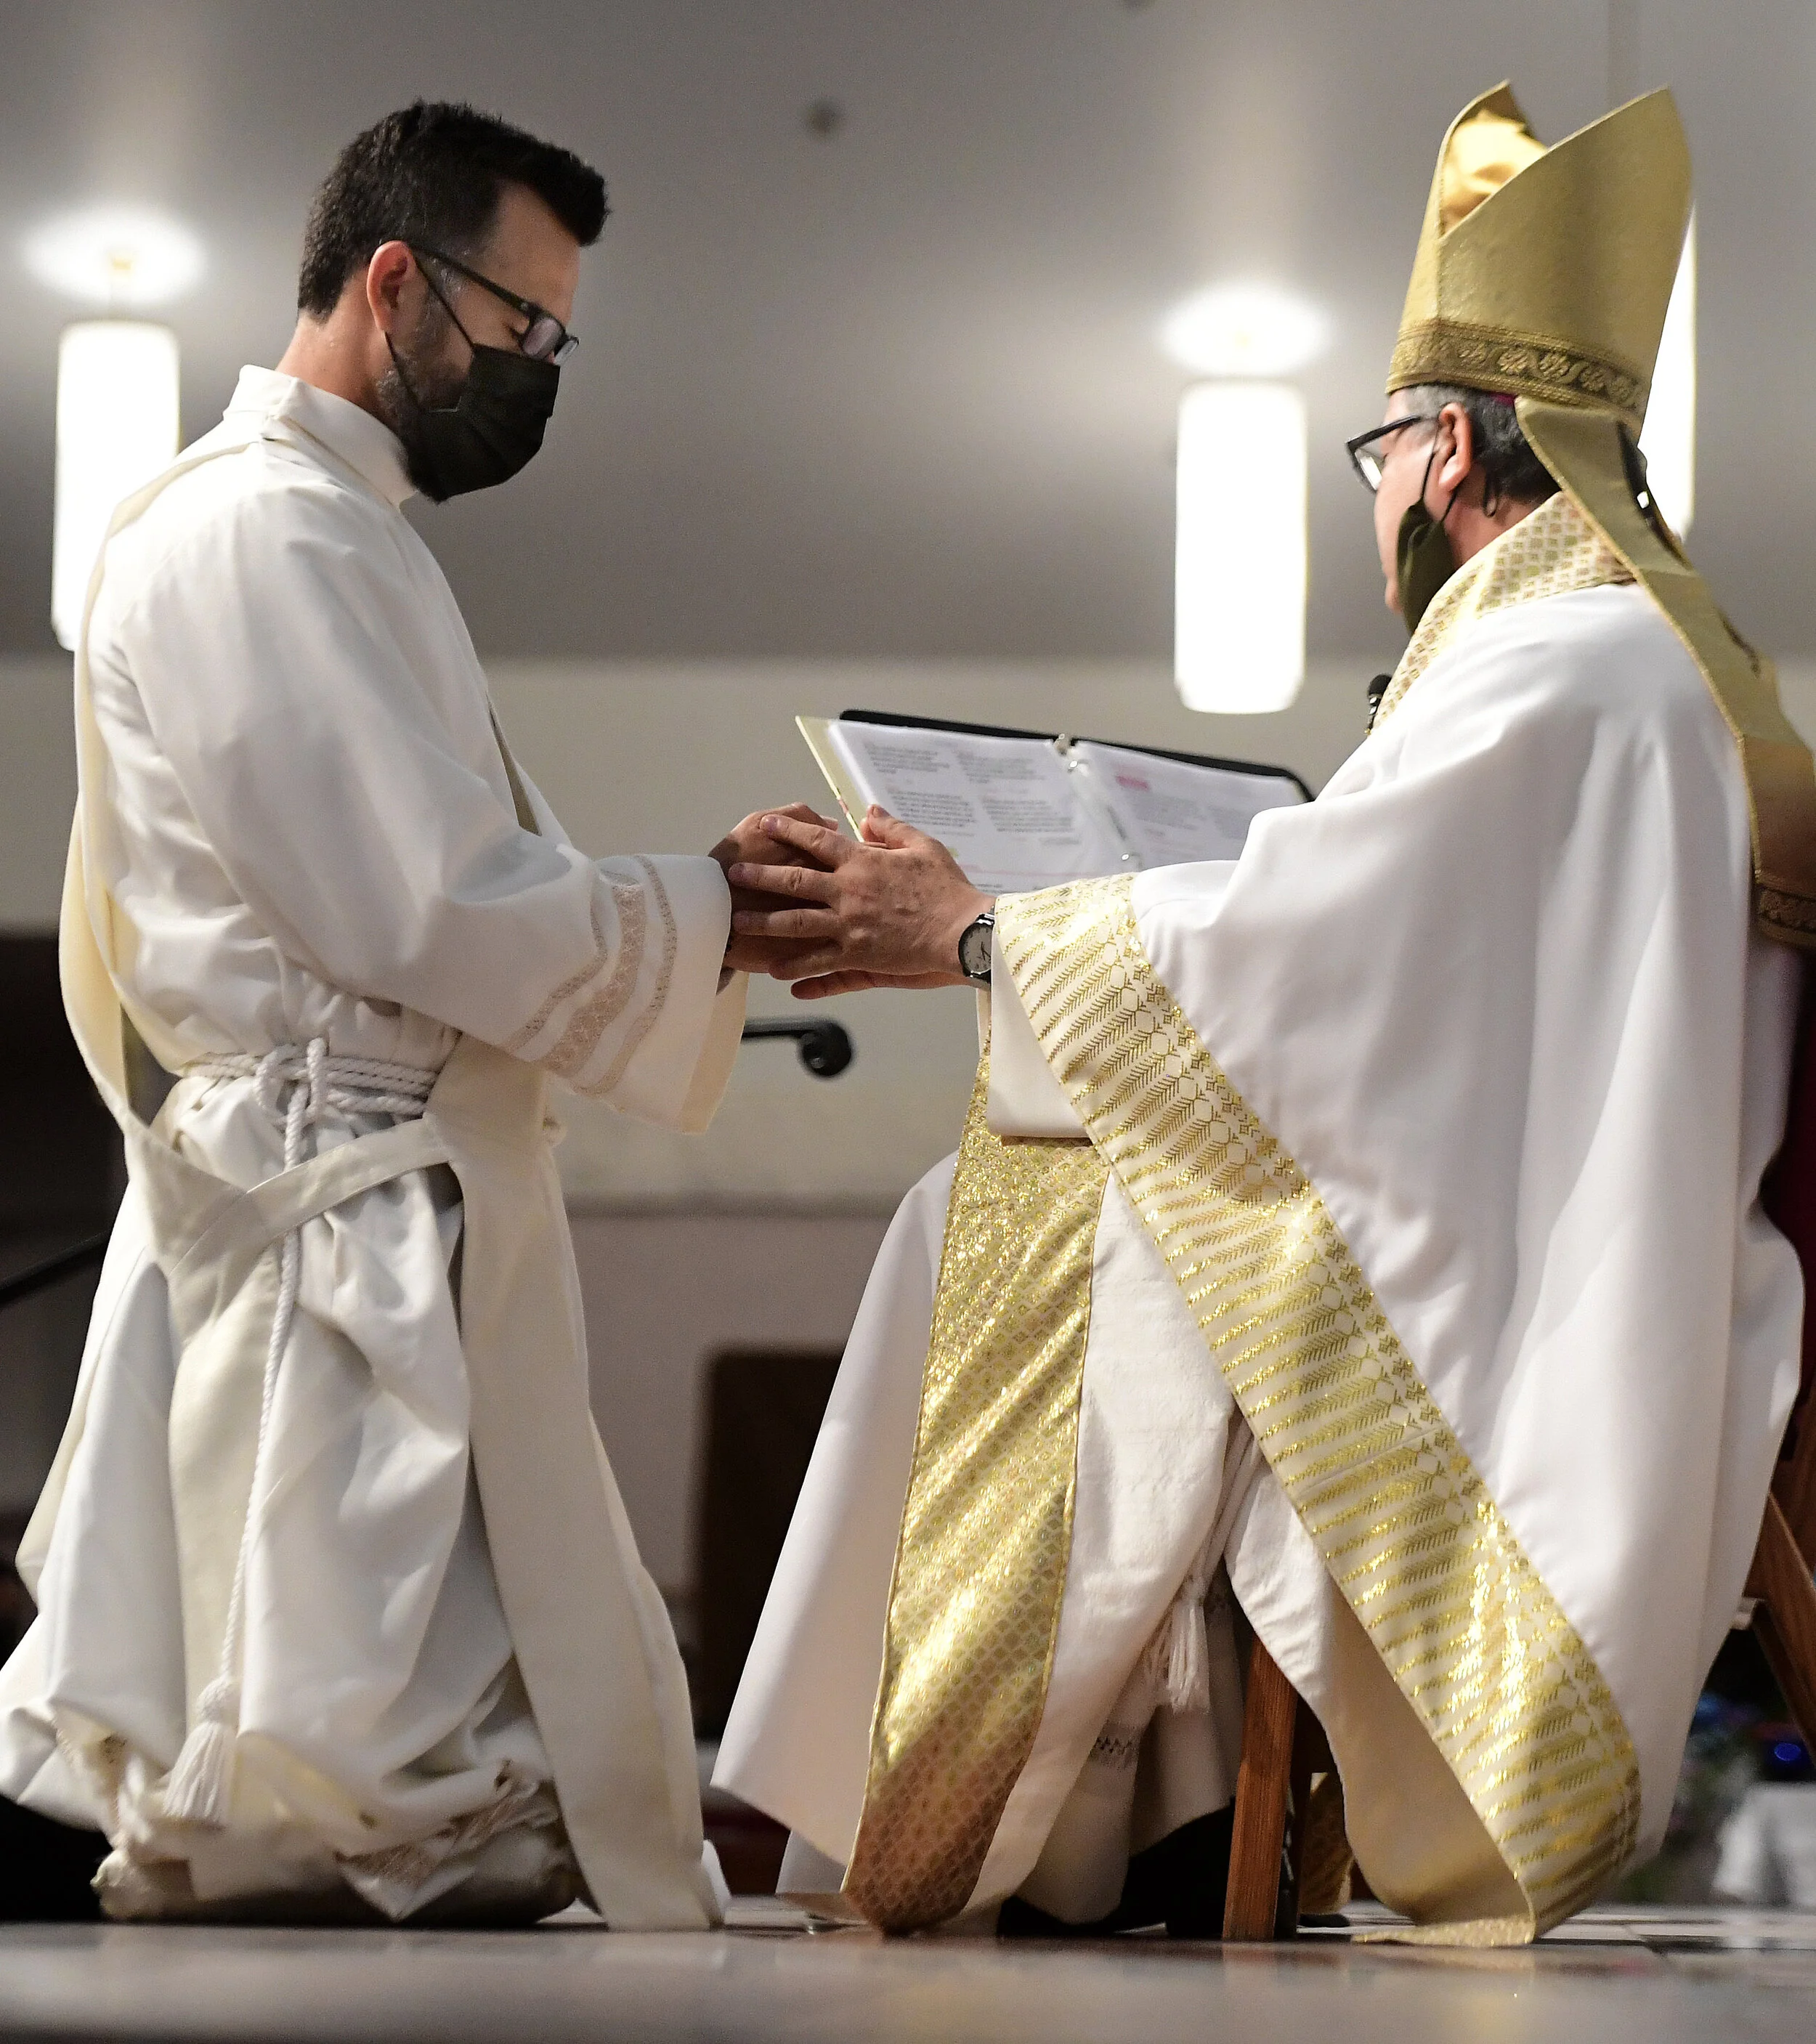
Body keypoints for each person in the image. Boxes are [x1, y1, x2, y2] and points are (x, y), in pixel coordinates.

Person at [714, 84, 1816, 1943]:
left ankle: (1006, 1822)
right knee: (1104, 1203)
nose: (1376, 496)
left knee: (1015, 1213)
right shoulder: (1649, 655)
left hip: (1547, 1289)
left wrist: (984, 935)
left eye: (1380, 450)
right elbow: (1387, 969)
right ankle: (1121, 1813)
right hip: (1566, 1229)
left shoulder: (1561, 664)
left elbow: (1325, 957)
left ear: (1456, 444)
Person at [0, 101, 817, 1926]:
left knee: (440, 1803)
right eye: (524, 329)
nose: (539, 373)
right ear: (395, 284)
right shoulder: (253, 535)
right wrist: (704, 905)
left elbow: (433, 883)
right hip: (325, 1222)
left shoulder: (347, 534)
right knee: (317, 1797)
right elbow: (413, 905)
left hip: (396, 1194)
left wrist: (695, 909)